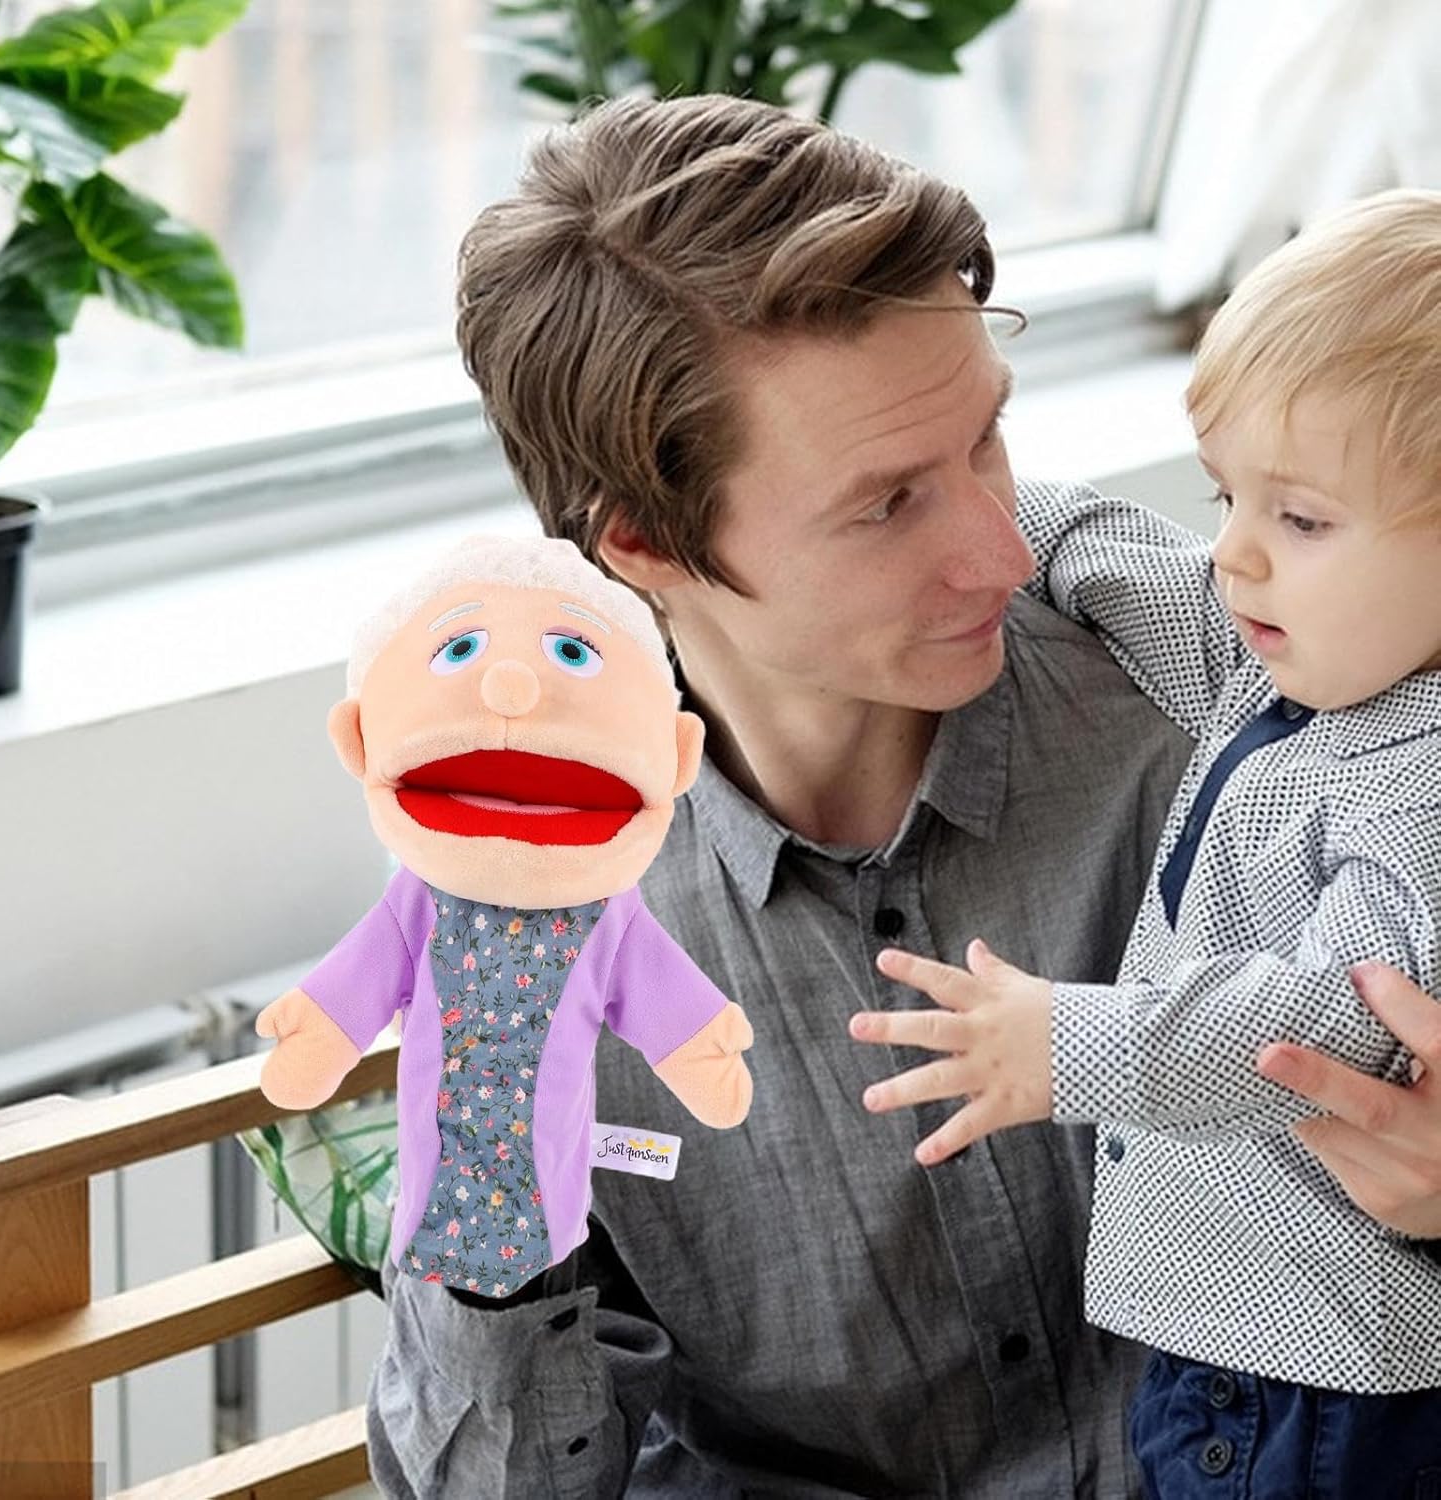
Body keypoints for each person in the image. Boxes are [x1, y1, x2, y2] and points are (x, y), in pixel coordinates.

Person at [361, 96, 1441, 1498]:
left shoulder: (1242, 709)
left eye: (987, 439)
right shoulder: (537, 925)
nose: (1004, 550)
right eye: (887, 505)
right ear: (644, 547)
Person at [850, 190, 1441, 1495]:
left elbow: (1331, 1023)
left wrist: (1068, 1045)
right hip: (1236, 1355)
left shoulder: (1423, 788)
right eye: (1228, 496)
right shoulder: (1300, 662)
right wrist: (989, 522)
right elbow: (1129, 563)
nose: (1234, 557)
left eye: (1301, 519)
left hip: (1316, 1383)